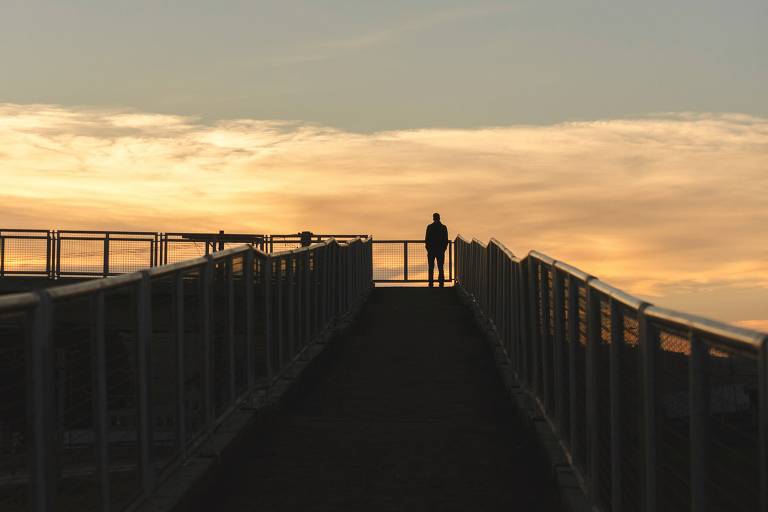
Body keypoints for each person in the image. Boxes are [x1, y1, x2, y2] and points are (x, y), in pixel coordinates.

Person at [424, 212, 449, 287]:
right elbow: (446, 240)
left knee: (431, 267)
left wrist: (428, 249)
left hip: (431, 250)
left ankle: (431, 283)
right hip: (440, 250)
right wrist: (443, 249)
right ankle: (441, 283)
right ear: (439, 218)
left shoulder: (429, 227)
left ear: (433, 218)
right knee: (440, 267)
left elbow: (426, 239)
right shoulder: (443, 227)